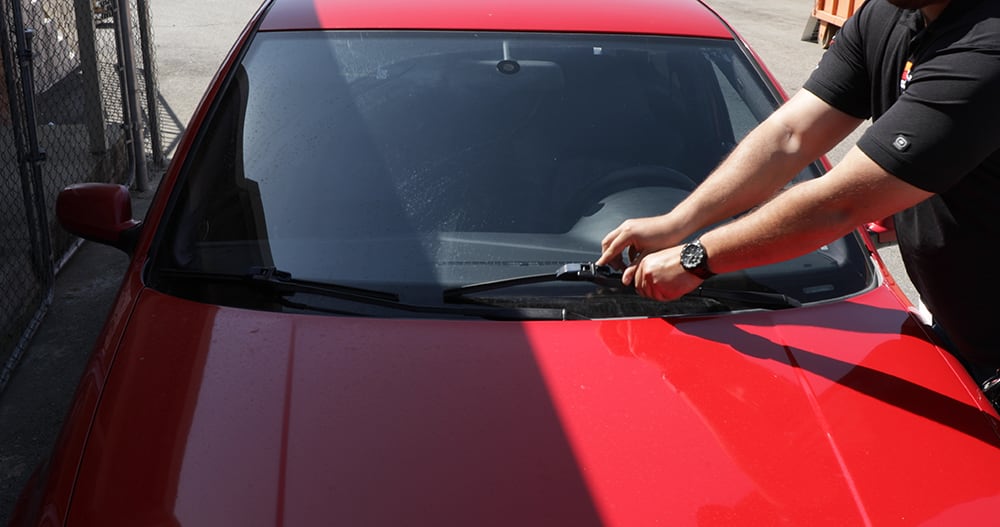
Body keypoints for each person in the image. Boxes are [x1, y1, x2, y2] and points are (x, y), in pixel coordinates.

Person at [597, 0, 1000, 388]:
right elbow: (790, 136)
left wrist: (696, 258)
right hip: (957, 323)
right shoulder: (889, 16)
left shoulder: (986, 46)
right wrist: (676, 224)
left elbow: (841, 205)